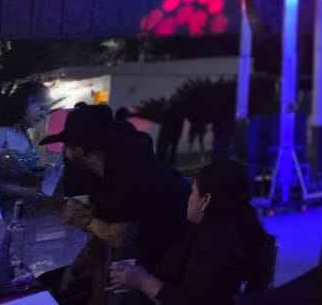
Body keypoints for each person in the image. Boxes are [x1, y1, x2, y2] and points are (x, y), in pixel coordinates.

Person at [40, 104, 191, 305]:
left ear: (83, 150)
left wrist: (84, 219)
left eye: (67, 145)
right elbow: (100, 236)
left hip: (170, 263)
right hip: (142, 251)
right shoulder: (98, 171)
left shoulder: (129, 171)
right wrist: (77, 269)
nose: (63, 151)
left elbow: (121, 237)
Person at [108, 160, 272, 304]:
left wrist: (142, 281)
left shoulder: (214, 244)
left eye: (193, 191)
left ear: (206, 199)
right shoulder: (246, 231)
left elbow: (192, 301)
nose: (189, 197)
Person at [0, 81, 51, 199]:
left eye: (47, 111)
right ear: (24, 103)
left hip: (15, 206)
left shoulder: (24, 135)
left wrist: (35, 176)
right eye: (42, 108)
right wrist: (21, 191)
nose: (44, 115)